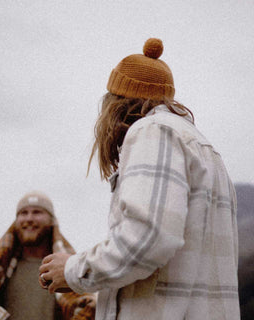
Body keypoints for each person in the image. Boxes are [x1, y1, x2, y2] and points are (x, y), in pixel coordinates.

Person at [39, 38, 240, 320]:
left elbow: (148, 237)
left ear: (116, 101)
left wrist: (73, 270)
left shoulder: (152, 132)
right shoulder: (205, 150)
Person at [0, 191, 95, 320]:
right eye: (23, 213)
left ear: (52, 221)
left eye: (37, 212)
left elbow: (86, 307)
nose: (29, 218)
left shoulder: (64, 271)